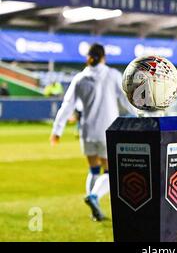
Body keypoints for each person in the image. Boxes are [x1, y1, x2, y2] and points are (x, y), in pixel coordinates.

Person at [50, 43, 136, 221]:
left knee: (93, 169)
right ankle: (94, 197)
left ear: (88, 57)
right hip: (108, 130)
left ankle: (93, 209)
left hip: (87, 131)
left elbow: (67, 106)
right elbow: (125, 98)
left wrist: (57, 130)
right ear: (104, 57)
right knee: (111, 172)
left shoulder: (80, 78)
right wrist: (141, 115)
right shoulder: (112, 75)